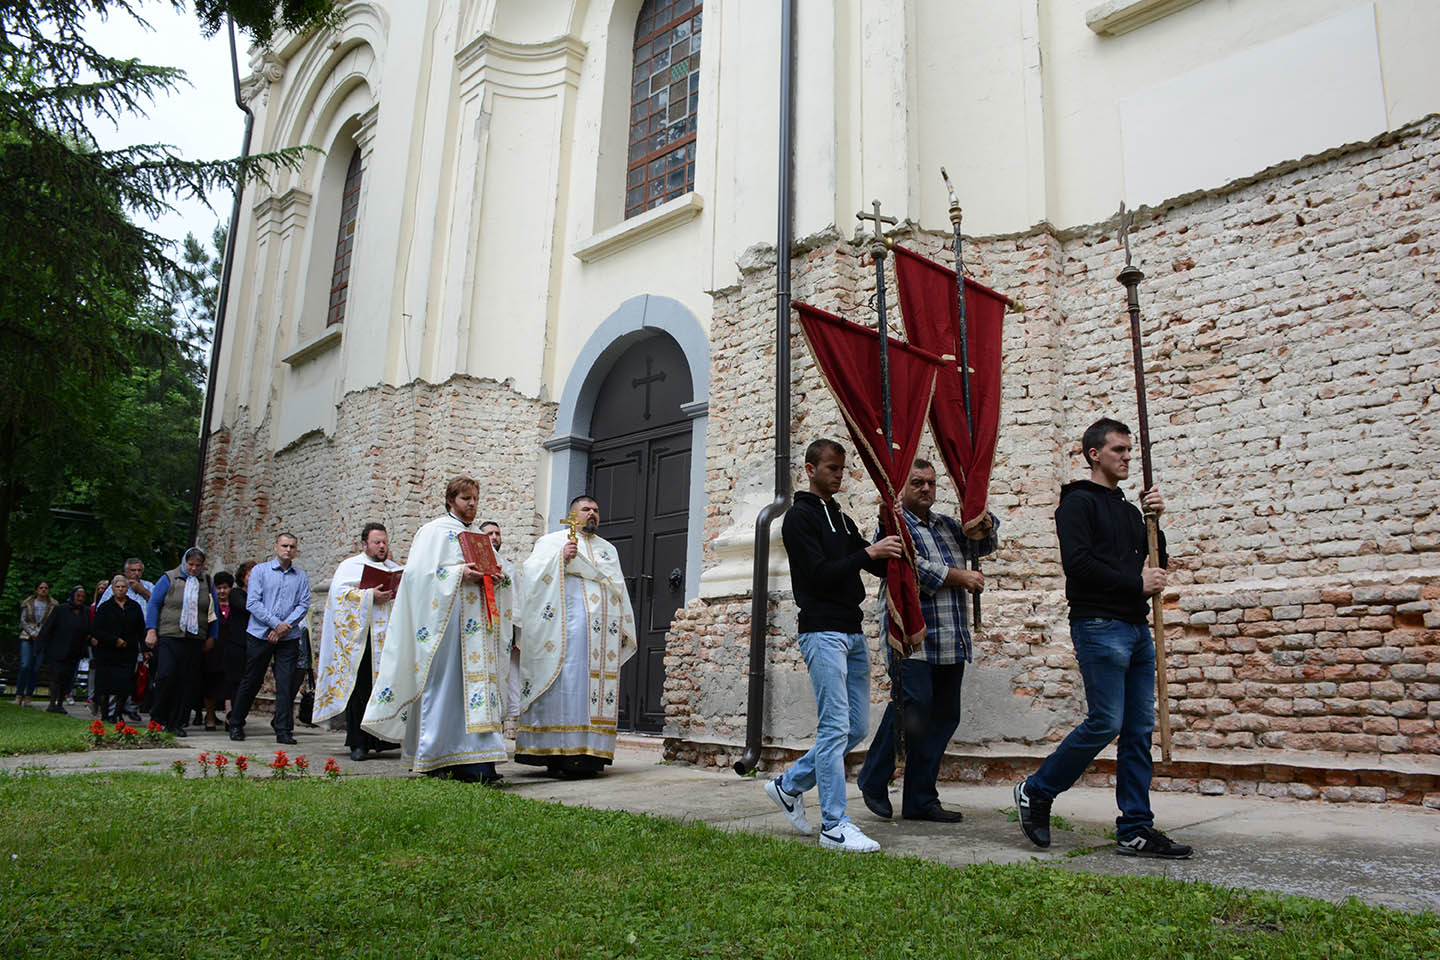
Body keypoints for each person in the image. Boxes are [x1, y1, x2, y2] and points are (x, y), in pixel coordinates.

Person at [1014, 417, 1192, 859]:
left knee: (1137, 731)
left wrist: (1155, 521)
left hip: (1136, 629)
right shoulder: (1076, 505)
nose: (1127, 457)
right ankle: (1036, 790)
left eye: (1130, 451)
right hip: (1099, 625)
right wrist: (1136, 584)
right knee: (1106, 722)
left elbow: (1155, 560)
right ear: (1094, 454)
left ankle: (1135, 828)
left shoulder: (1130, 511)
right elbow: (1079, 566)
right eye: (1119, 450)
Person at [763, 439, 902, 854]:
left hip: (852, 630)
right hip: (821, 631)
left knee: (855, 727)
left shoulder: (840, 516)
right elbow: (822, 575)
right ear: (809, 469)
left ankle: (789, 785)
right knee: (834, 727)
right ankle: (835, 826)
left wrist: (890, 533)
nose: (839, 476)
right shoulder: (798, 519)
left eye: (842, 469)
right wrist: (868, 553)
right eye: (832, 469)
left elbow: (868, 560)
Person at [857, 459, 999, 823]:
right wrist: (958, 577)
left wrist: (979, 508)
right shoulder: (892, 524)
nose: (925, 489)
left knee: (944, 716)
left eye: (931, 483)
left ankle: (921, 799)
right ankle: (873, 777)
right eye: (917, 483)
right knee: (913, 705)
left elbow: (982, 544)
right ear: (902, 488)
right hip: (913, 634)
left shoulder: (948, 525)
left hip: (951, 637)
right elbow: (906, 564)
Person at [362, 478, 513, 783]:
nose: (471, 504)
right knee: (445, 691)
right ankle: (437, 758)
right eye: (465, 499)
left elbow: (500, 572)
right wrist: (459, 574)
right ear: (450, 500)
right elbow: (418, 577)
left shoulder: (480, 538)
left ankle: (479, 762)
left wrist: (499, 578)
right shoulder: (433, 532)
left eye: (475, 498)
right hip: (446, 630)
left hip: (478, 633)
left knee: (477, 693)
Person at [515, 495, 636, 778]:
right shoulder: (552, 542)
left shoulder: (608, 550)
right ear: (572, 514)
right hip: (563, 634)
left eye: (596, 510)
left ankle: (590, 755)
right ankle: (558, 754)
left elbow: (618, 587)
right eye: (586, 509)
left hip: (601, 638)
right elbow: (530, 575)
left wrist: (623, 628)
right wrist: (560, 559)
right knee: (566, 684)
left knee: (590, 690)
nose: (592, 513)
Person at [315, 523, 403, 762]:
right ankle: (358, 743)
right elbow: (339, 597)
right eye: (377, 542)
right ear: (364, 544)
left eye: (384, 542)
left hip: (385, 642)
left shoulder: (394, 568)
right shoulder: (350, 567)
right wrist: (369, 596)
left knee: (382, 690)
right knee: (360, 692)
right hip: (361, 642)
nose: (382, 546)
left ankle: (382, 740)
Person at [229, 534, 310, 745]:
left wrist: (285, 627)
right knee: (252, 679)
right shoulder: (260, 571)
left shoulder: (300, 576)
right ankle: (236, 722)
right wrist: (275, 624)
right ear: (276, 547)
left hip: (288, 636)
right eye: (284, 546)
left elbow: (303, 604)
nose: (288, 550)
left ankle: (283, 729)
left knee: (285, 684)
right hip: (260, 634)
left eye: (292, 546)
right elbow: (253, 603)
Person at [144, 548, 218, 737]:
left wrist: (212, 636)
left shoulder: (207, 582)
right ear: (184, 562)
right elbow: (154, 603)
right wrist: (151, 629)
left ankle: (176, 722)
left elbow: (212, 611)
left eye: (197, 566)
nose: (193, 569)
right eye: (190, 565)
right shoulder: (169, 578)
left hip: (194, 638)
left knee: (185, 681)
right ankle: (157, 717)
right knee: (166, 675)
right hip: (170, 634)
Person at [481, 521, 524, 727]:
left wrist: (517, 635)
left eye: (498, 533)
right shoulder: (474, 564)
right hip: (481, 631)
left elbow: (516, 602)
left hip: (504, 633)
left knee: (505, 677)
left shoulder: (509, 568)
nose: (495, 537)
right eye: (489, 533)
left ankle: (501, 724)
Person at [99, 559, 154, 721]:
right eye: (132, 570)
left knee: (137, 676)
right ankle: (112, 711)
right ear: (125, 572)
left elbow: (160, 604)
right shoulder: (115, 587)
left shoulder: (149, 586)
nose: (136, 574)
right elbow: (102, 610)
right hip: (117, 640)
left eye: (139, 570)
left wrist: (141, 590)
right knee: (115, 677)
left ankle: (131, 707)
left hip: (142, 637)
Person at [90, 575, 145, 722]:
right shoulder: (105, 607)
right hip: (107, 652)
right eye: (117, 587)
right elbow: (96, 630)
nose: (120, 590)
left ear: (127, 589)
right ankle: (105, 713)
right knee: (104, 685)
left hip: (128, 653)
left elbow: (141, 630)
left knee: (124, 685)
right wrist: (114, 640)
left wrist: (145, 649)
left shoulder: (134, 607)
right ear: (113, 589)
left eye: (123, 587)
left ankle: (118, 713)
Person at [40, 586, 91, 714]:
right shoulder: (60, 609)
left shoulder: (85, 612)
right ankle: (52, 703)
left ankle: (60, 703)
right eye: (78, 596)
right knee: (56, 677)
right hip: (58, 649)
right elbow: (48, 628)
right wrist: (40, 646)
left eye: (82, 597)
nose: (80, 599)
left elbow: (89, 629)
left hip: (75, 650)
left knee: (67, 678)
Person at [199, 572, 238, 731]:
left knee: (229, 685)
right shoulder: (210, 606)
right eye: (219, 588)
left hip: (230, 650)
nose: (222, 591)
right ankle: (210, 717)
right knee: (211, 684)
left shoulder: (236, 607)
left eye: (225, 588)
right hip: (213, 651)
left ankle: (230, 716)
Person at [17, 580, 53, 708]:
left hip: (42, 637)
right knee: (25, 665)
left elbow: (52, 622)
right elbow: (23, 620)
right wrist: (32, 632)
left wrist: (42, 634)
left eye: (46, 588)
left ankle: (29, 695)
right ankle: (19, 694)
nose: (43, 590)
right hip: (28, 636)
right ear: (36, 590)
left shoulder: (52, 605)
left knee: (36, 667)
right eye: (41, 588)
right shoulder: (28, 603)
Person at [223, 562, 255, 706]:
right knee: (236, 680)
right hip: (237, 642)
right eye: (250, 575)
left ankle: (239, 714)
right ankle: (232, 715)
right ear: (242, 577)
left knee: (250, 681)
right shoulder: (236, 593)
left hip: (253, 642)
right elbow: (246, 607)